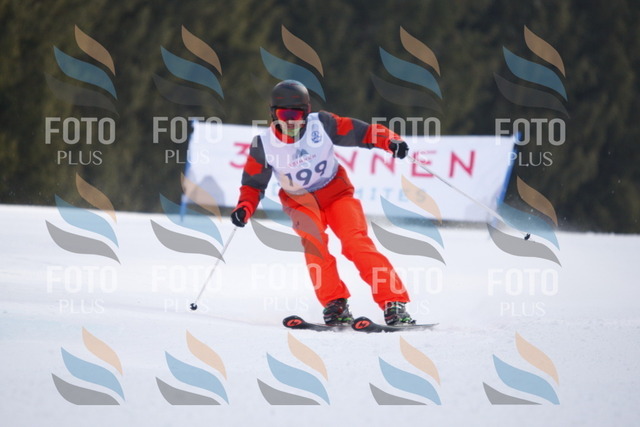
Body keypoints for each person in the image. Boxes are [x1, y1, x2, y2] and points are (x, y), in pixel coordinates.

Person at [231, 80, 414, 326]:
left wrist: (390, 141)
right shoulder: (263, 144)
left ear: (306, 113)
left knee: (355, 243)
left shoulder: (323, 124)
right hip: (300, 203)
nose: (290, 121)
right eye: (284, 115)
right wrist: (244, 208)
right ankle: (335, 304)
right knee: (314, 245)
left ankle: (394, 302)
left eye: (296, 115)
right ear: (273, 114)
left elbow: (363, 132)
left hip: (337, 195)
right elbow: (253, 185)